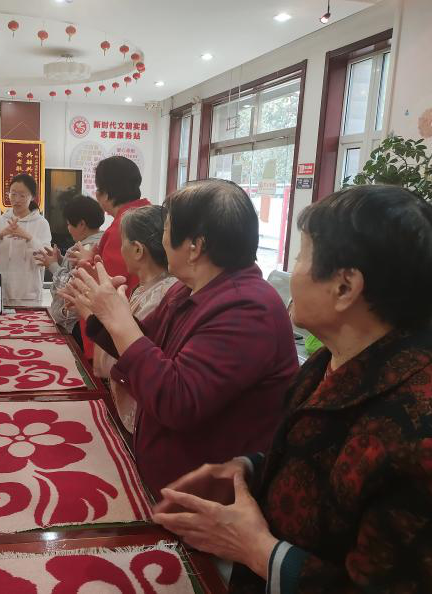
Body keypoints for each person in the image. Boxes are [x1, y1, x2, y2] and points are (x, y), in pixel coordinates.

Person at [151, 185, 432, 593]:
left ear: (345, 287)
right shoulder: (330, 363)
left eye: (302, 255)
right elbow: (320, 465)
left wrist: (259, 550)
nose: (293, 271)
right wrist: (248, 469)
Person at [62, 179, 298, 497]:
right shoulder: (186, 290)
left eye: (166, 230)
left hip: (210, 502)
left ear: (195, 246)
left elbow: (178, 400)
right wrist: (102, 315)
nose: (161, 240)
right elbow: (149, 346)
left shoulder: (247, 307)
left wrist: (119, 320)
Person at [96, 205, 177, 432]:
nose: (120, 249)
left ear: (138, 250)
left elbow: (112, 362)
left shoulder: (162, 294)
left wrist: (97, 313)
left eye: (123, 242)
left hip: (144, 415)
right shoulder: (146, 289)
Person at [73, 156, 150, 364]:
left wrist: (86, 264)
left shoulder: (122, 228)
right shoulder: (148, 214)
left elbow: (111, 287)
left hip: (122, 332)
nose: (97, 196)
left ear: (106, 193)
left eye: (99, 190)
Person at [35, 194, 105, 345]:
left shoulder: (86, 248)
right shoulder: (100, 242)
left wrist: (53, 266)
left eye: (68, 224)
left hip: (76, 326)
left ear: (81, 224)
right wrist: (61, 261)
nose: (68, 229)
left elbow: (72, 287)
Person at [0, 173, 52, 307]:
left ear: (32, 197)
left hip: (29, 296)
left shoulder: (41, 223)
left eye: (22, 195)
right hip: (0, 293)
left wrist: (28, 237)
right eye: (13, 194)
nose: (16, 199)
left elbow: (45, 258)